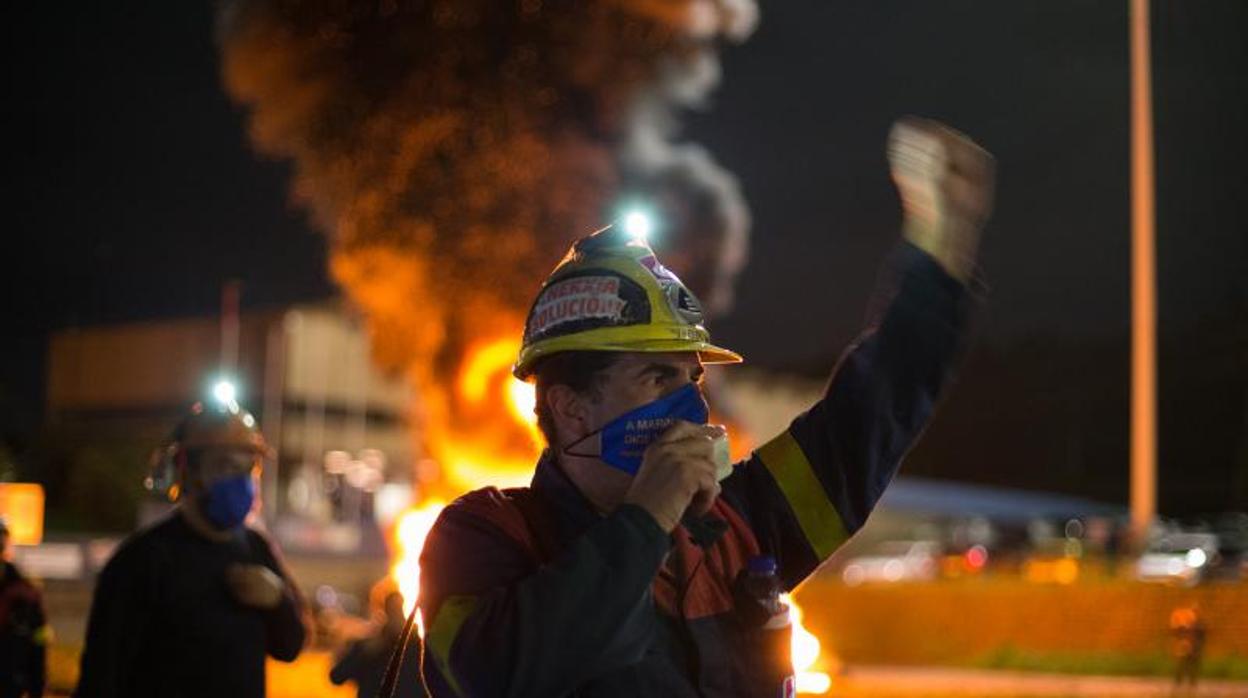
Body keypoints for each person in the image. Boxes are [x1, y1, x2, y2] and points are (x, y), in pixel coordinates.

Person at [416, 117, 995, 697]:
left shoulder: (732, 527)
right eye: (656, 376)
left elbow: (865, 419)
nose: (691, 403)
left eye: (692, 378)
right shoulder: (484, 540)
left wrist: (940, 257)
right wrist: (645, 519)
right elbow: (501, 674)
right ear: (570, 408)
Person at [75, 400, 308, 697]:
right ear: (188, 470)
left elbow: (290, 647)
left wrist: (277, 600)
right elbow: (101, 678)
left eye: (249, 467)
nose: (241, 480)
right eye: (224, 465)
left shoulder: (255, 548)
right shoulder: (143, 561)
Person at [330, 584, 422, 698]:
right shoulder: (371, 645)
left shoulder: (421, 648)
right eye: (392, 609)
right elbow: (337, 677)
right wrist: (366, 653)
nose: (397, 615)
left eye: (399, 608)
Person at [0, 516, 47, 698]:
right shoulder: (25, 590)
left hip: (10, 682)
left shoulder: (25, 592)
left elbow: (38, 642)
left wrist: (37, 687)